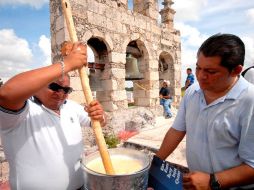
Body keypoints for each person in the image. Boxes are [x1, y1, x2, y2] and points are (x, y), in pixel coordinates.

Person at [0, 42, 106, 190]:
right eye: (54, 87)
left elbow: (98, 122)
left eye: (66, 89)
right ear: (37, 86)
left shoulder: (71, 107)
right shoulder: (22, 113)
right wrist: (67, 64)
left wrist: (100, 116)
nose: (61, 93)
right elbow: (5, 94)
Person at [156, 33, 254, 189]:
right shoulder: (192, 92)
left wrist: (212, 181)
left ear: (236, 70)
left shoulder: (250, 100)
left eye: (211, 72)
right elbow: (177, 130)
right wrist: (155, 163)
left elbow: (252, 165)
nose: (201, 76)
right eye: (198, 68)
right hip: (196, 184)